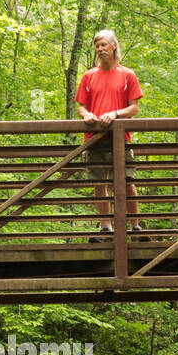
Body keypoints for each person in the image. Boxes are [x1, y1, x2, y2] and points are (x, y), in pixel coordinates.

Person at [75, 29, 146, 241]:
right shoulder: (88, 76)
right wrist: (87, 115)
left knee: (127, 181)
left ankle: (135, 228)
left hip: (121, 137)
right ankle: (106, 228)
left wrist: (114, 114)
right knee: (99, 183)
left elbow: (134, 108)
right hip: (95, 138)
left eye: (104, 45)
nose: (100, 49)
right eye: (97, 46)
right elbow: (81, 107)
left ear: (113, 46)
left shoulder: (127, 75)